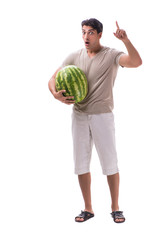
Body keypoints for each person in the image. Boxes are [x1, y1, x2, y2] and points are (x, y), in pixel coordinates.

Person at [48, 18, 142, 223]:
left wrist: (125, 41)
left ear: (100, 34)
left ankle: (116, 208)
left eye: (91, 32)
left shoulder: (111, 55)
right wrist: (56, 94)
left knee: (110, 162)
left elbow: (136, 62)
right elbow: (52, 79)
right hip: (79, 115)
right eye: (83, 32)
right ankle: (88, 209)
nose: (86, 36)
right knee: (81, 163)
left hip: (102, 115)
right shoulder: (74, 55)